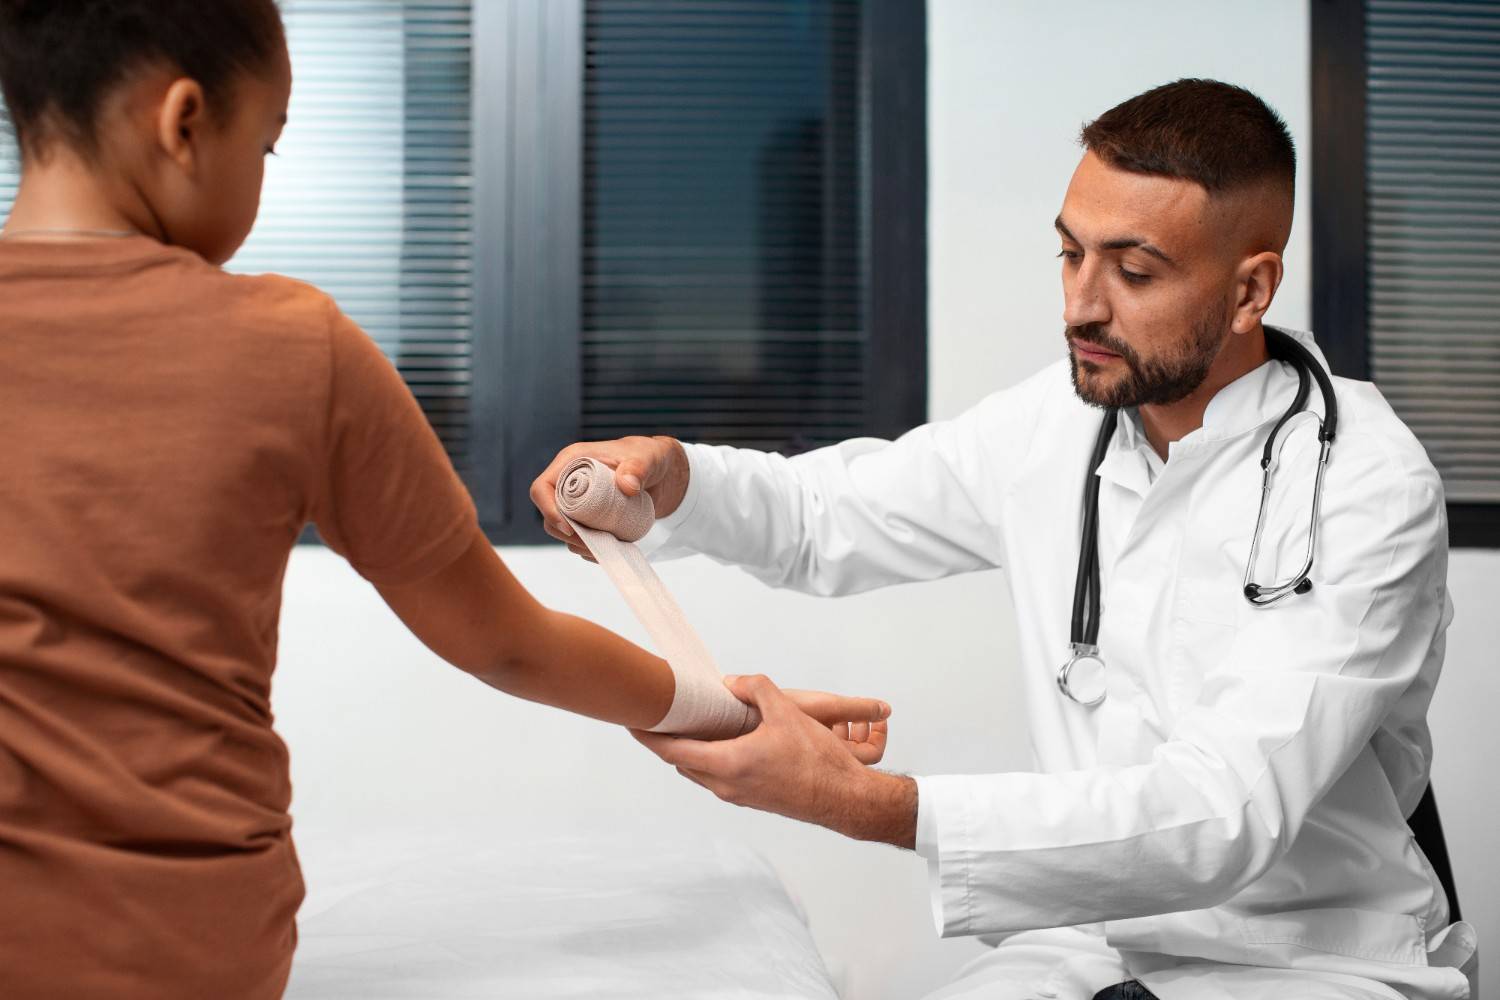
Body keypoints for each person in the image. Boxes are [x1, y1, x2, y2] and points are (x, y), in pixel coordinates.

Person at [0, 2, 888, 997]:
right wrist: (722, 709)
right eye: (267, 144)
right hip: (188, 942)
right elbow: (506, 639)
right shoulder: (295, 346)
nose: (261, 174)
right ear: (185, 122)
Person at [534, 80, 1479, 1000]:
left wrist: (864, 803)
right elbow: (831, 514)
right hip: (1089, 945)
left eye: (1133, 271)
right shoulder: (1058, 422)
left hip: (1307, 959)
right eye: (1070, 256)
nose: (1080, 306)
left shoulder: (1365, 486)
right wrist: (671, 480)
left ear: (1250, 290)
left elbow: (1223, 814)